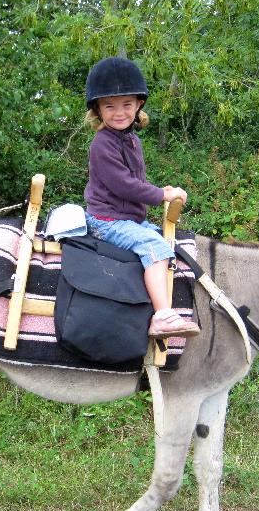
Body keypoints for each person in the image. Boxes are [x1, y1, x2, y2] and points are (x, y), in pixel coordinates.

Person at [83, 56, 200, 339]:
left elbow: (136, 182)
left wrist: (161, 191)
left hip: (128, 218)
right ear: (98, 110)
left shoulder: (131, 140)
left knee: (168, 241)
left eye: (127, 105)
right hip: (107, 220)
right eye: (110, 106)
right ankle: (161, 316)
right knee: (154, 248)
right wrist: (162, 194)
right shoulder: (102, 145)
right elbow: (125, 186)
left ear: (138, 105)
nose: (119, 112)